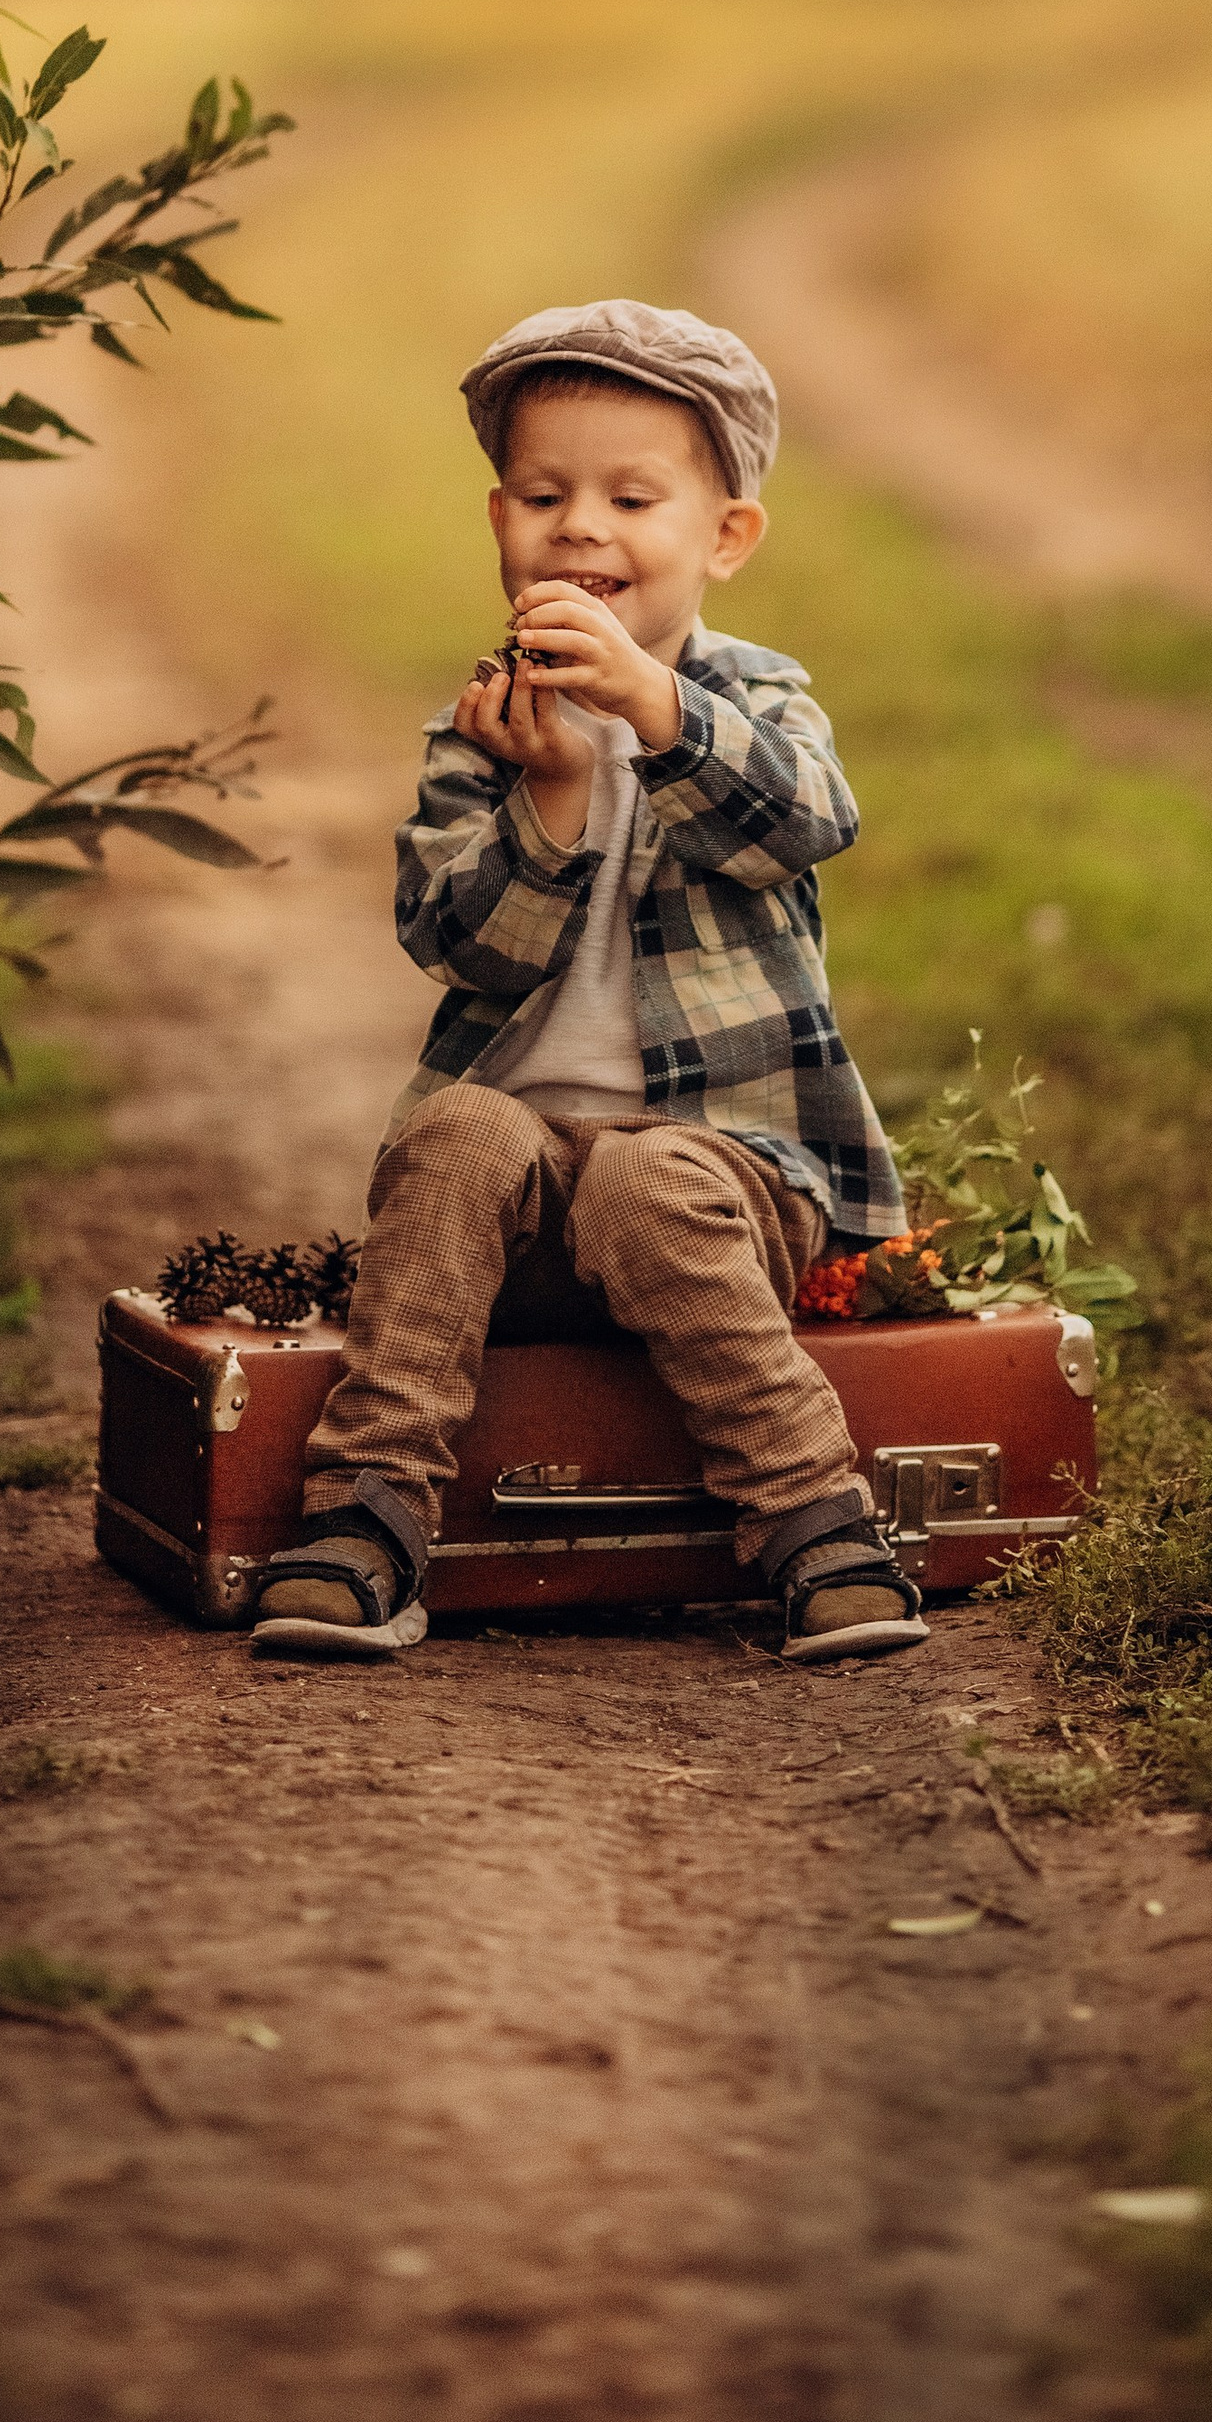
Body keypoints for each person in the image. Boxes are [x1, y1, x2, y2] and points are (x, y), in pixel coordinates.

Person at [251, 296, 925, 1666]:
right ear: (498, 520)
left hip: (729, 1177)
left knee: (652, 1176)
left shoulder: (760, 700)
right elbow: (462, 948)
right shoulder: (481, 731)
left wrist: (652, 714)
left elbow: (805, 822)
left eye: (632, 497)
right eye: (545, 496)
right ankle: (368, 1520)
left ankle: (813, 1519)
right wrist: (550, 794)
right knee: (450, 1135)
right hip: (523, 1211)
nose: (581, 528)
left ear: (723, 537)